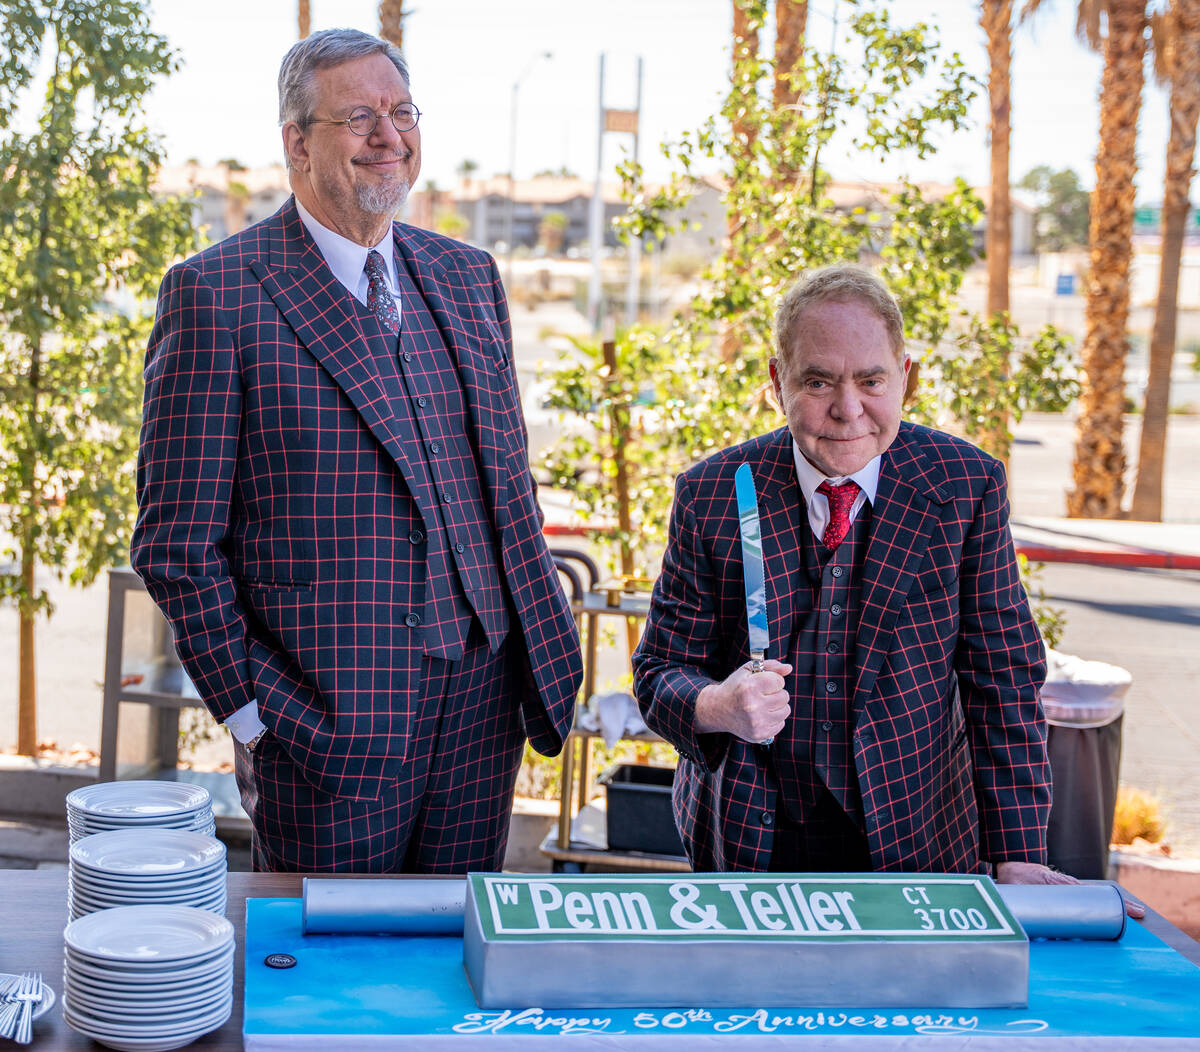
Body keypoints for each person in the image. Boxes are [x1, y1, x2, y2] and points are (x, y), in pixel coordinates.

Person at [132, 28, 582, 873]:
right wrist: (250, 713)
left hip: (483, 706)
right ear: (297, 143)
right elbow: (176, 544)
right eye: (360, 117)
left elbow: (507, 486)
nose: (390, 137)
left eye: (402, 111)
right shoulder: (215, 294)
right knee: (330, 984)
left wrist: (542, 652)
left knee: (459, 970)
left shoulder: (467, 275)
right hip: (323, 723)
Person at [633, 264, 1069, 886]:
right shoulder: (713, 494)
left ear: (906, 380)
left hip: (920, 837)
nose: (848, 409)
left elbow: (1002, 677)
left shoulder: (965, 486)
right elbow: (658, 675)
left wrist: (1019, 853)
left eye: (871, 380)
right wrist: (718, 704)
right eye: (817, 381)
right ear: (776, 383)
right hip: (752, 840)